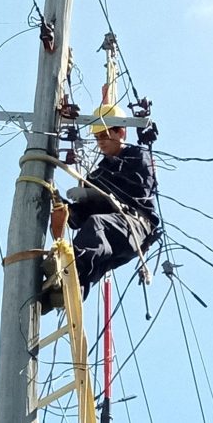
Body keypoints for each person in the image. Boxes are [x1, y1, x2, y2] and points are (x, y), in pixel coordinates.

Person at [66, 104, 160, 300]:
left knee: (96, 226)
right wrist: (62, 207)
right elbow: (81, 216)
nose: (100, 142)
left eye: (104, 135)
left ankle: (69, 270)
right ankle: (65, 293)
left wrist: (92, 194)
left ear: (121, 132)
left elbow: (137, 192)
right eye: (97, 137)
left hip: (136, 228)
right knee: (96, 264)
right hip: (114, 238)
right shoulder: (98, 173)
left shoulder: (138, 156)